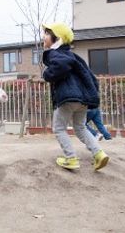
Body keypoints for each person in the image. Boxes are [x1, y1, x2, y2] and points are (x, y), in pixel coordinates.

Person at [42, 22, 109, 171]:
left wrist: (46, 74)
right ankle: (99, 153)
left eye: (47, 34)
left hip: (68, 98)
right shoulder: (74, 56)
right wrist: (91, 95)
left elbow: (60, 66)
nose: (44, 36)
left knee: (59, 128)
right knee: (80, 127)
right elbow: (91, 77)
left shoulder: (57, 53)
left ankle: (71, 158)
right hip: (83, 99)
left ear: (57, 39)